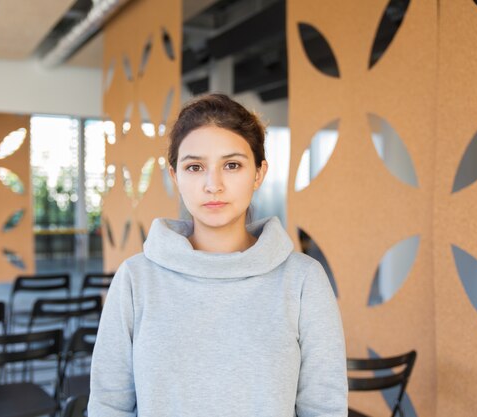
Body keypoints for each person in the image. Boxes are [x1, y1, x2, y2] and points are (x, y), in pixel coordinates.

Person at [89, 93, 347, 417]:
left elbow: (324, 409)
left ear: (258, 174)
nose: (214, 184)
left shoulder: (303, 280)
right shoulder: (135, 279)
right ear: (174, 176)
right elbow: (108, 406)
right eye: (195, 166)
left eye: (232, 165)